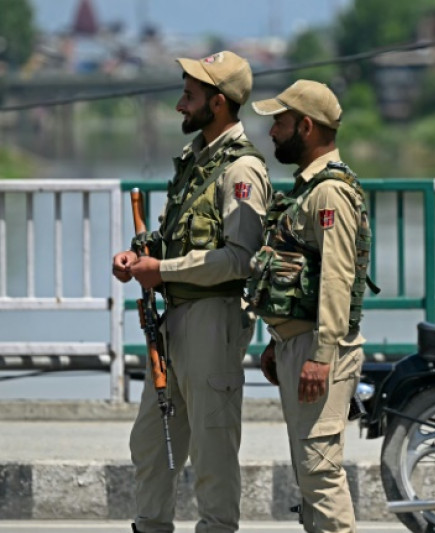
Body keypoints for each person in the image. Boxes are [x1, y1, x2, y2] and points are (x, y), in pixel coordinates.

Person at [111, 50, 272, 533]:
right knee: (150, 443)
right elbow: (177, 238)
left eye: (189, 96)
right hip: (176, 319)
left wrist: (162, 270)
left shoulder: (241, 171)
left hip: (213, 319)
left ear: (218, 102)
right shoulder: (197, 161)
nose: (180, 105)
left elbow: (241, 258)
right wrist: (140, 258)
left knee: (211, 448)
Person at [246, 79, 372, 533]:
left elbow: (338, 277)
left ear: (306, 127)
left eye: (279, 122)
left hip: (320, 349)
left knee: (320, 473)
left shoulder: (329, 193)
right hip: (298, 346)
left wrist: (320, 356)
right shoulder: (309, 188)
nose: (272, 131)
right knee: (309, 473)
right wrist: (278, 341)